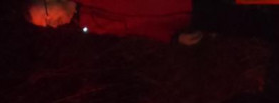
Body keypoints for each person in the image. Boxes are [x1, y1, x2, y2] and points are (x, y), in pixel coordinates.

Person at [25, 0, 194, 43]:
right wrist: (173, 37)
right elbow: (138, 27)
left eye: (47, 17)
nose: (53, 24)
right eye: (47, 25)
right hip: (188, 18)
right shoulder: (91, 24)